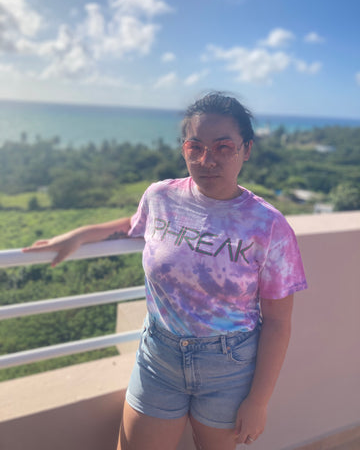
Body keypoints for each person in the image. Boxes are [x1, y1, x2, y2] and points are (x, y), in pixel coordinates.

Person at [23, 92, 307, 450]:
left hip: (228, 366)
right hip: (160, 356)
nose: (207, 160)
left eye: (223, 147)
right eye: (195, 147)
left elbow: (279, 322)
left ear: (246, 150)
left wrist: (258, 402)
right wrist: (81, 234)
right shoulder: (161, 197)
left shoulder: (269, 226)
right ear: (184, 148)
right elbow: (134, 224)